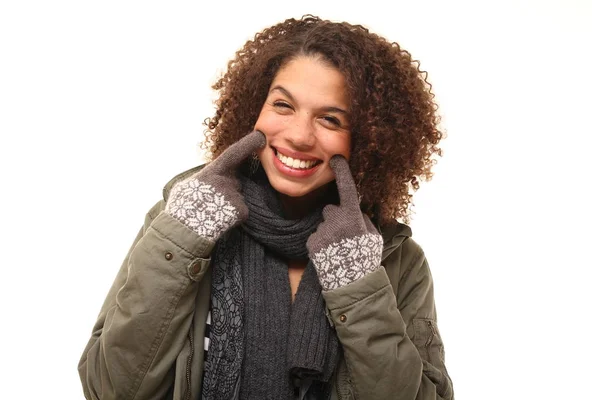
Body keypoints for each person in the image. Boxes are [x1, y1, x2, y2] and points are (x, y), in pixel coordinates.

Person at [78, 15, 453, 400]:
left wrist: (357, 282)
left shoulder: (396, 260)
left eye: (330, 119)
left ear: (370, 141)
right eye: (283, 105)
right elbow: (110, 389)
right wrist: (185, 234)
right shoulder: (182, 220)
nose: (298, 135)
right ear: (253, 107)